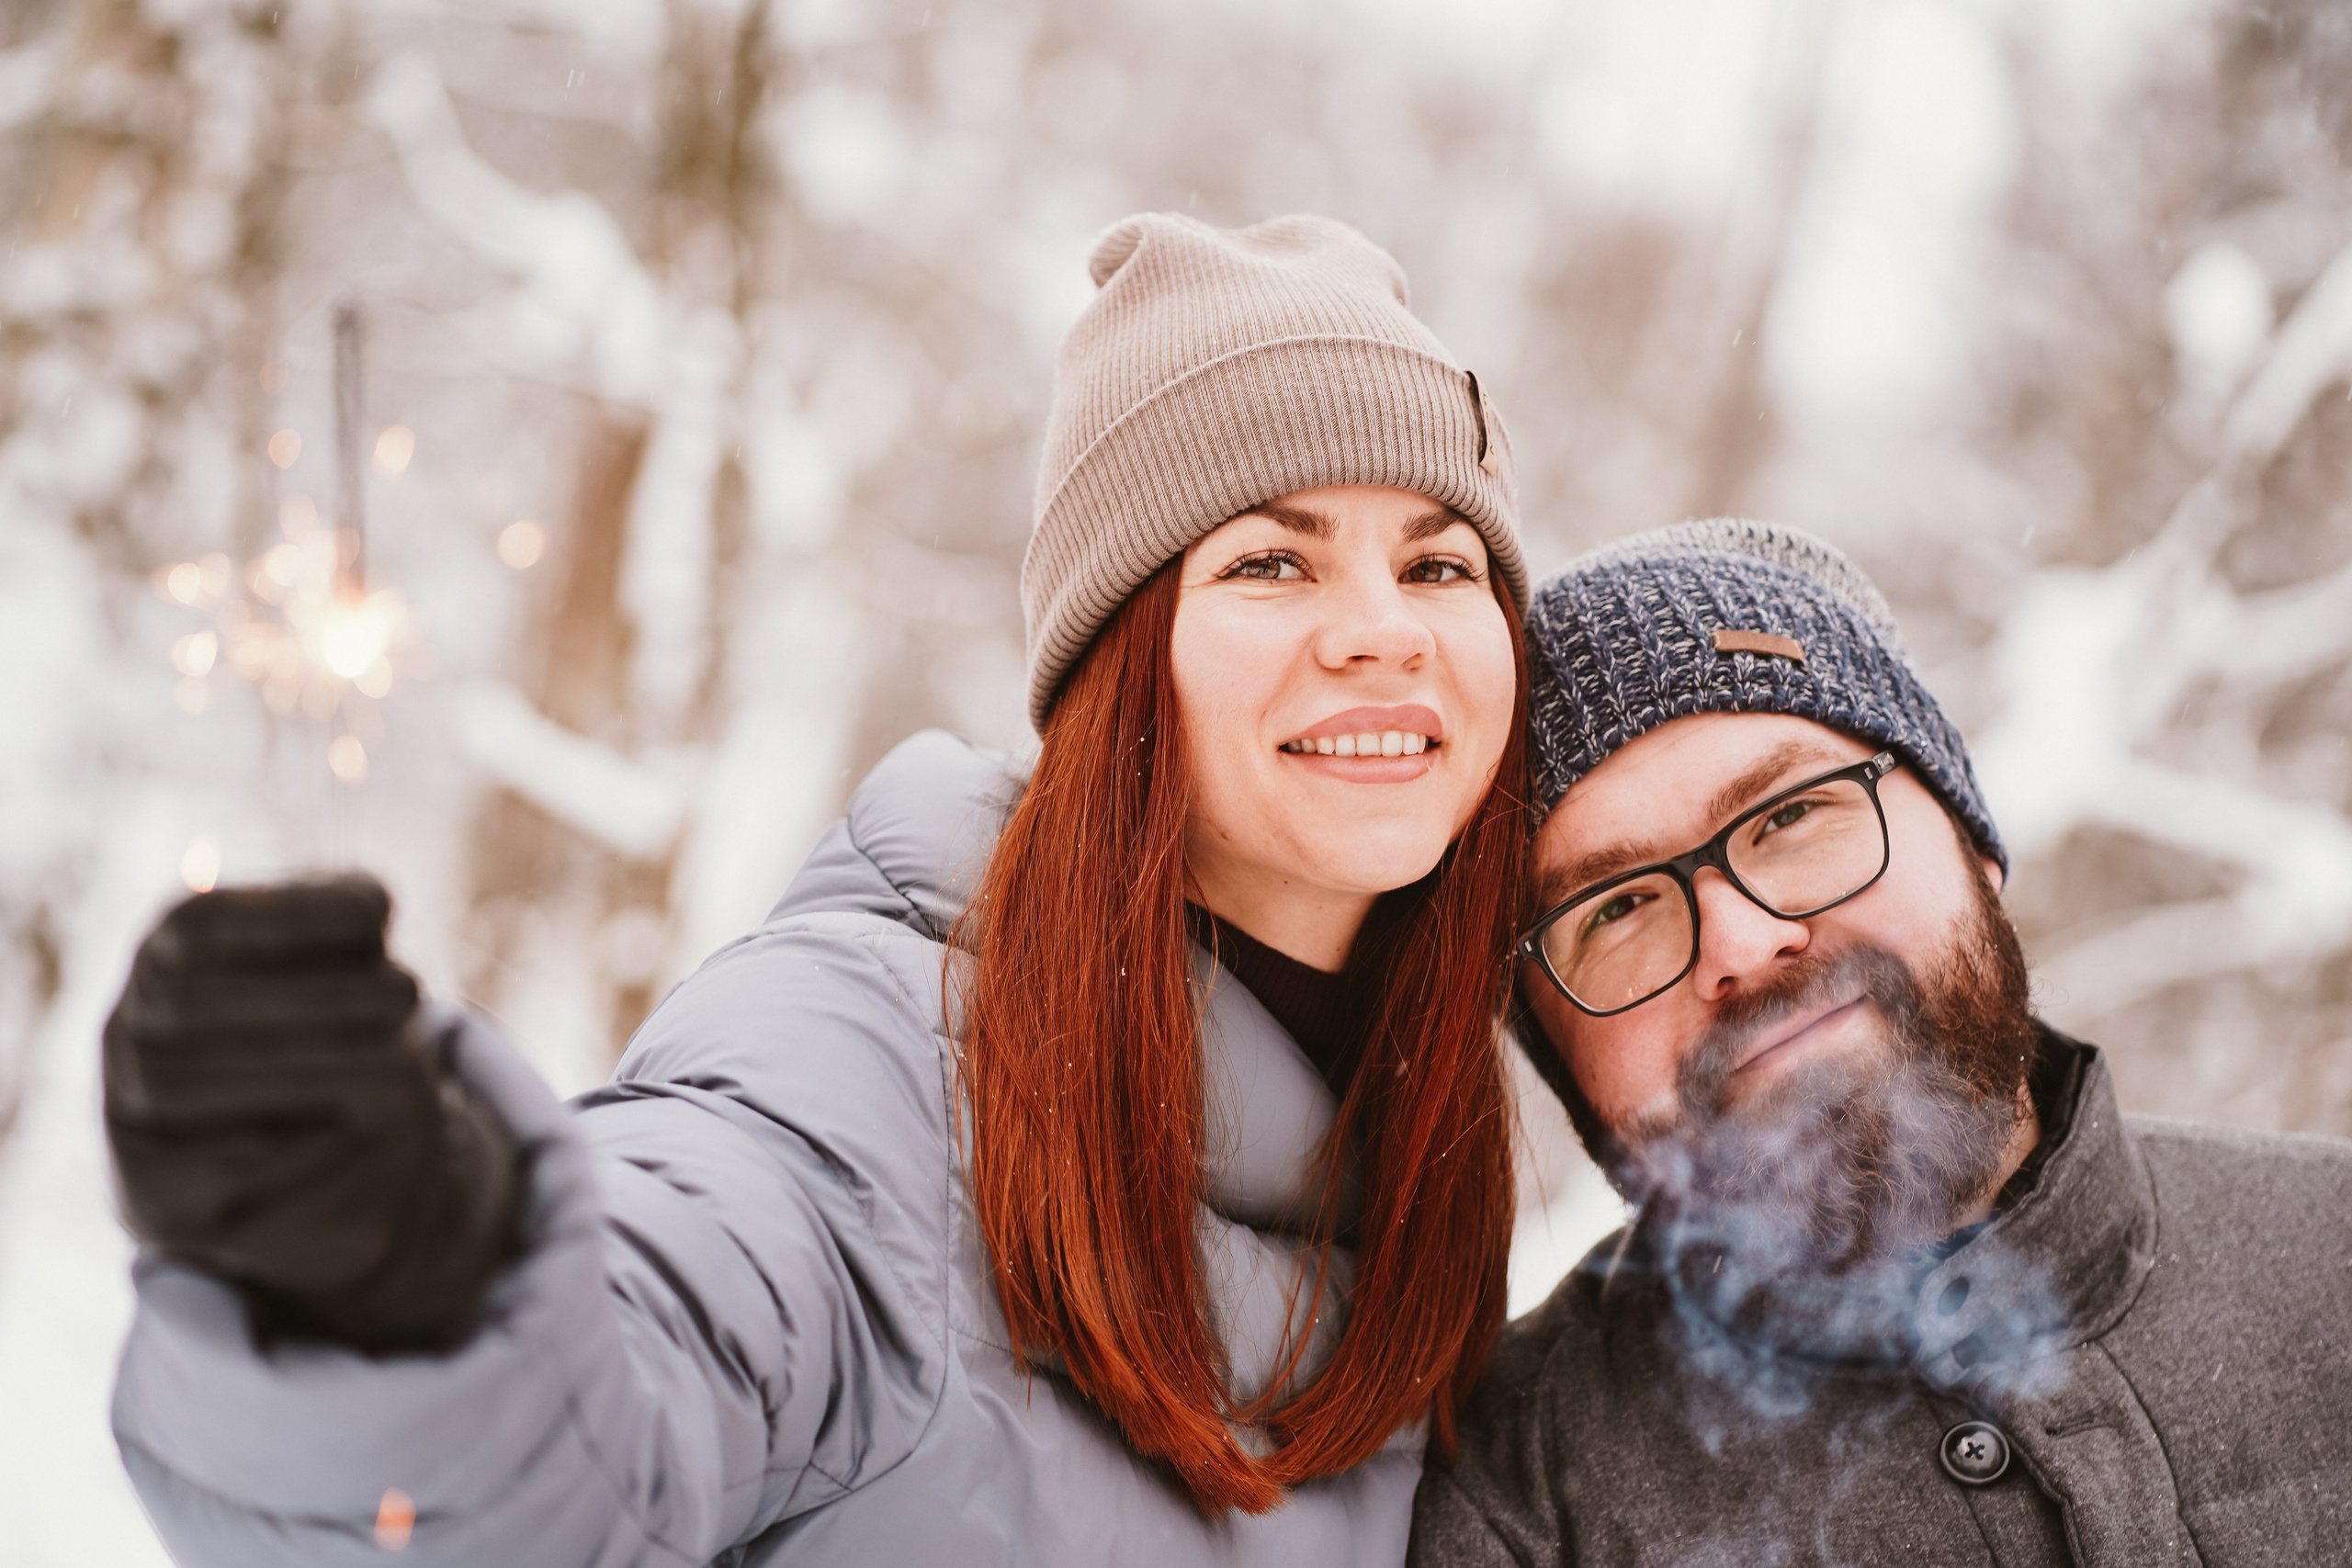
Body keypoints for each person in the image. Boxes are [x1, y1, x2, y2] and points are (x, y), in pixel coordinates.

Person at [102, 213, 1538, 1565]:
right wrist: (396, 1274)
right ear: (1119, 666)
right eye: (1272, 560)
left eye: (1441, 562)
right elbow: (607, 1385)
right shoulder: (869, 1066)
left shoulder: (1432, 1192)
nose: (1382, 630)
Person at [1408, 519, 2352, 1567]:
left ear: (1969, 842)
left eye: (1792, 816)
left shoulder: (2336, 1261)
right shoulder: (1510, 1509)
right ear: (1549, 1046)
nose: (1743, 941)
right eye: (1616, 909)